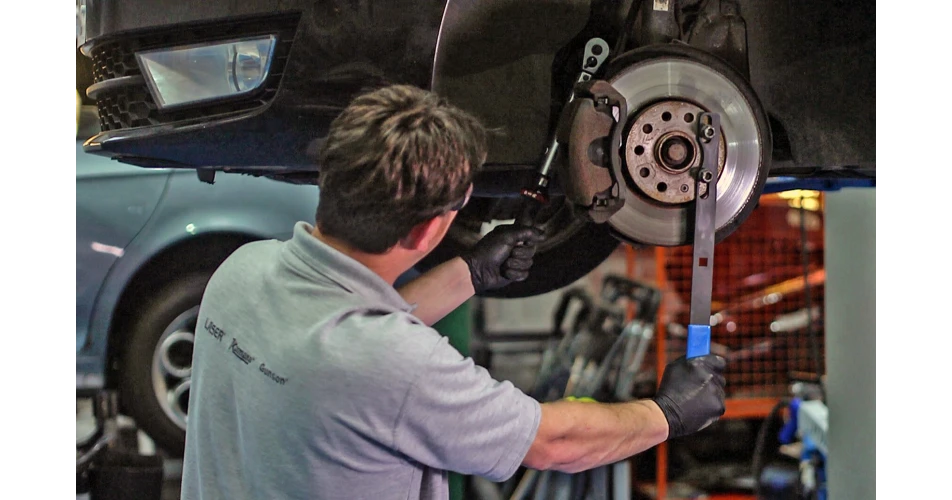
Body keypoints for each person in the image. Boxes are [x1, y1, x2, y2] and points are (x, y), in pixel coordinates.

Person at [180, 84, 726, 500]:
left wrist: (469, 272)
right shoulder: (393, 365)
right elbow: (551, 442)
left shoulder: (241, 271)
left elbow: (344, 338)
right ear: (426, 231)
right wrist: (667, 413)